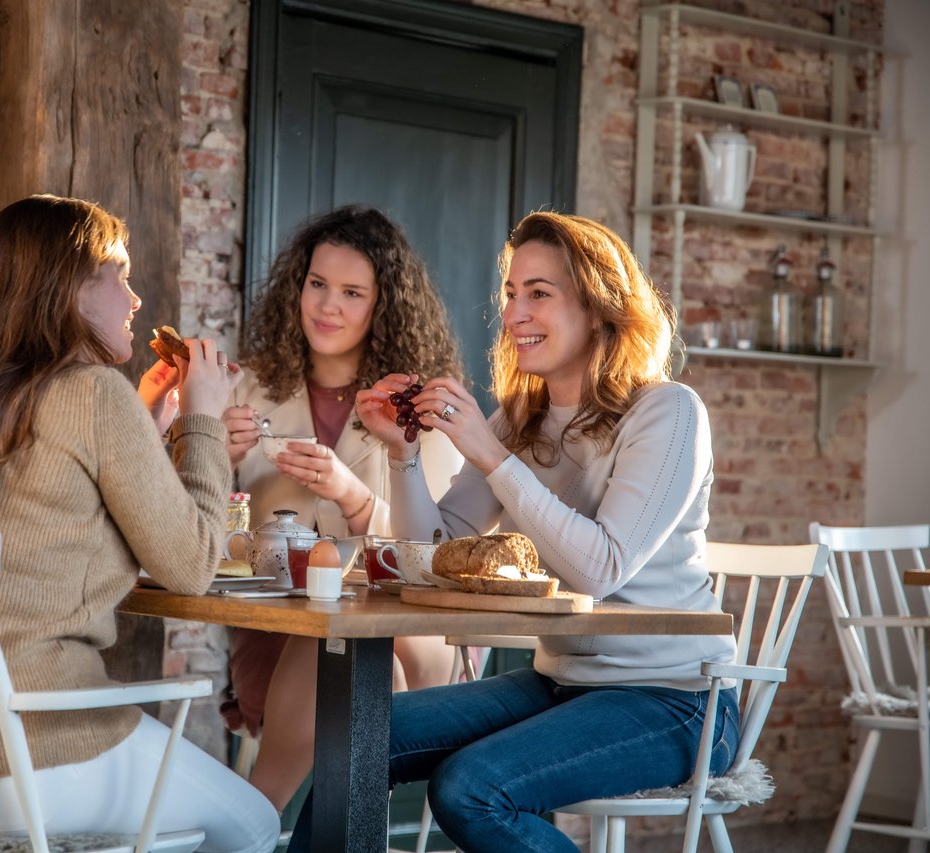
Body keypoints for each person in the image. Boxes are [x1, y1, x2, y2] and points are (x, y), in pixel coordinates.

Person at [288, 210, 741, 852]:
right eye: (510, 293)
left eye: (539, 293)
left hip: (678, 700)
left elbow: (599, 569)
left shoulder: (667, 413)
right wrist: (403, 455)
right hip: (563, 682)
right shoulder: (520, 418)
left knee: (470, 788)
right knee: (360, 733)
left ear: (599, 306)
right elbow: (434, 556)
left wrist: (492, 456)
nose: (514, 313)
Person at [0, 195, 280, 853]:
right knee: (255, 824)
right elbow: (191, 562)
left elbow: (52, 516)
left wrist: (147, 422)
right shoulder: (90, 393)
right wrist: (205, 423)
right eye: (120, 275)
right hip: (16, 754)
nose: (135, 298)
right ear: (73, 289)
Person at [219, 205, 467, 811]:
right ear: (297, 287)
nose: (327, 306)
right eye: (317, 284)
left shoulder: (421, 406)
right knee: (348, 646)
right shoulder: (245, 392)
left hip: (414, 631)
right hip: (281, 631)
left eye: (352, 292)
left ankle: (254, 814)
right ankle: (340, 828)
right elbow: (205, 535)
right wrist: (208, 454)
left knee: (358, 641)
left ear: (383, 305)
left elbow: (434, 554)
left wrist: (352, 498)